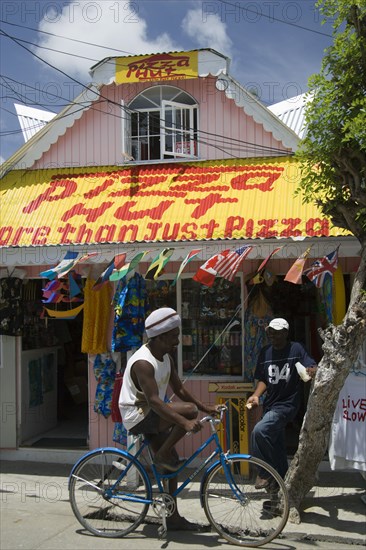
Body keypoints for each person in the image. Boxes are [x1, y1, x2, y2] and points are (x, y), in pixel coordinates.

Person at [119, 307, 220, 531]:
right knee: (188, 412)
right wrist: (184, 422)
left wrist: (207, 409)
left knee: (172, 464)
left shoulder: (165, 357)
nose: (177, 340)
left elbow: (180, 390)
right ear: (161, 336)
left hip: (152, 412)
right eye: (174, 335)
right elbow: (154, 400)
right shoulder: (143, 362)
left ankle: (172, 516)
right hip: (137, 414)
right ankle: (162, 453)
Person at [247, 317, 317, 489]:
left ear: (286, 333)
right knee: (277, 449)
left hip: (287, 405)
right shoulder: (265, 352)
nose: (273, 336)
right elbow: (263, 378)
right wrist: (256, 395)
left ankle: (264, 473)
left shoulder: (296, 348)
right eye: (271, 332)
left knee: (259, 431)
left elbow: (311, 365)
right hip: (270, 405)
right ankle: (279, 494)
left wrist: (312, 370)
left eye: (277, 333)